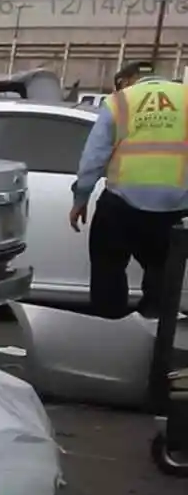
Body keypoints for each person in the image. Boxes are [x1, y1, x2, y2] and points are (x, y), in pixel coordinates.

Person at [68, 60, 188, 318]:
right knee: (163, 271)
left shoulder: (120, 101)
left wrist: (81, 198)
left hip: (122, 204)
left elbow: (94, 158)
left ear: (125, 80)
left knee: (107, 268)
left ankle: (110, 327)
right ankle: (157, 328)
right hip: (175, 207)